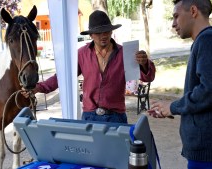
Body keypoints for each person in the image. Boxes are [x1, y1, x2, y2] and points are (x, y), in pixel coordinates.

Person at [24, 10, 155, 123]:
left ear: (111, 31)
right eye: (98, 33)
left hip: (116, 116)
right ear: (91, 35)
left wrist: (144, 64)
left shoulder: (124, 53)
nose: (103, 36)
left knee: (115, 153)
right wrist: (38, 87)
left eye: (106, 31)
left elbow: (148, 77)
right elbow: (63, 76)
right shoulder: (82, 54)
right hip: (89, 116)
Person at [148, 0, 212, 168]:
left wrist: (173, 107)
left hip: (209, 150)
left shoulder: (208, 40)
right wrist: (172, 108)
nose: (173, 24)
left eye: (176, 16)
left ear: (193, 11)